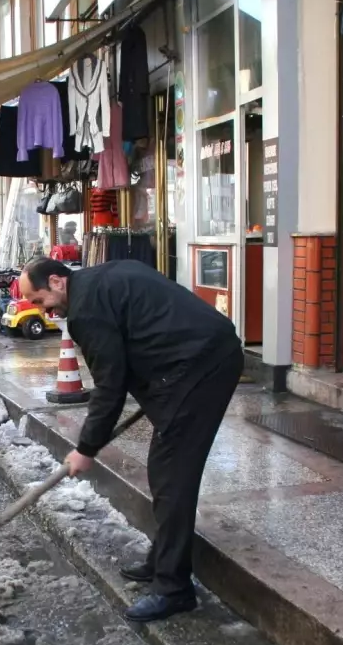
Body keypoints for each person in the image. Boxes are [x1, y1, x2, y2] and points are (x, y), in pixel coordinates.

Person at [18, 257, 243, 623]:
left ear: (57, 282)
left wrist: (86, 449)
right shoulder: (96, 281)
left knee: (172, 478)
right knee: (166, 471)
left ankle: (174, 589)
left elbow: (110, 387)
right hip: (196, 358)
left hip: (201, 365)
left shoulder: (87, 311)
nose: (43, 310)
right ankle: (163, 561)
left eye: (40, 300)